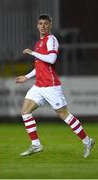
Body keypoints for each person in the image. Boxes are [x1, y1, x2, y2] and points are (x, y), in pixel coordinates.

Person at [15, 14, 95, 158]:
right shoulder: (39, 43)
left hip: (51, 86)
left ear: (50, 25)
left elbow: (51, 59)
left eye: (46, 23)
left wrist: (32, 53)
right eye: (40, 23)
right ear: (37, 26)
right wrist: (26, 77)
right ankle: (36, 144)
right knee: (25, 111)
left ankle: (87, 141)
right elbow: (39, 66)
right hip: (39, 85)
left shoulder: (51, 40)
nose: (43, 26)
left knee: (64, 115)